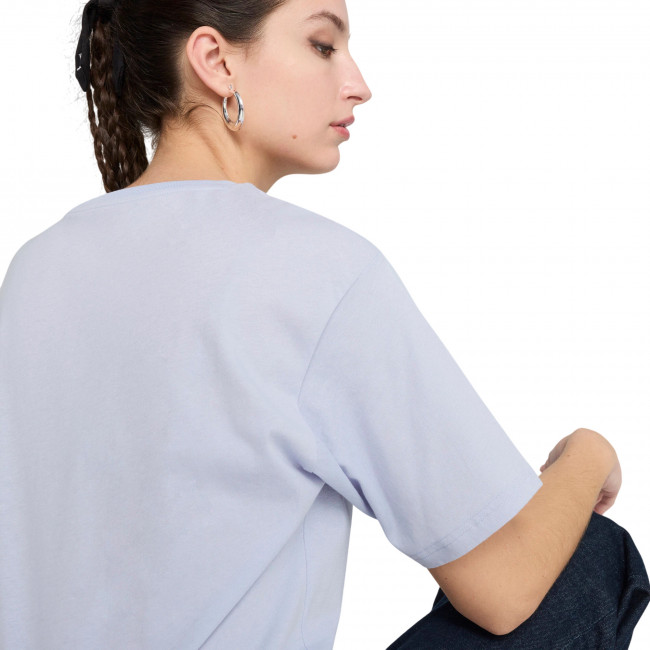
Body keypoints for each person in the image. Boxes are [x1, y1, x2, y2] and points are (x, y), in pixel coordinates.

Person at [0, 0, 647, 648]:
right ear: (215, 61)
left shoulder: (34, 268)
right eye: (322, 45)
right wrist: (589, 453)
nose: (358, 84)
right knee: (592, 553)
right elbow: (504, 587)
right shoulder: (311, 267)